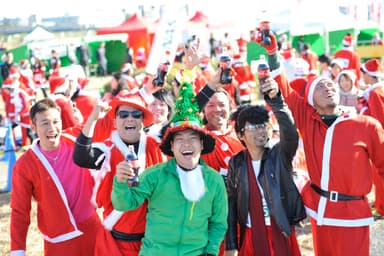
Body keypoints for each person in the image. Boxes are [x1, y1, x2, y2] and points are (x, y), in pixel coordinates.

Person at [256, 30, 384, 256]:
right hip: (319, 212)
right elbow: (284, 87)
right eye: (321, 87)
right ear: (310, 102)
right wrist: (273, 53)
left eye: (330, 85)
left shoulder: (366, 125)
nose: (329, 87)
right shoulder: (308, 120)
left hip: (352, 217)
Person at [111, 80, 228, 256]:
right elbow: (125, 203)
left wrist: (210, 252)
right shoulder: (155, 175)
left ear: (202, 144)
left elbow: (218, 223)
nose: (186, 145)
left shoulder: (214, 180)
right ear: (171, 146)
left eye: (192, 139)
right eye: (180, 139)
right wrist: (120, 183)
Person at [73, 94, 164, 256]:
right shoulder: (106, 150)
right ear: (114, 121)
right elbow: (80, 157)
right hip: (117, 244)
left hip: (152, 243)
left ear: (143, 121)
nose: (130, 118)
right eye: (123, 114)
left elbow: (185, 122)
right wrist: (93, 119)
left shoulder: (155, 146)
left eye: (136, 115)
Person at [10, 98, 102, 255]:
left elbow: (106, 124)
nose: (52, 128)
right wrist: (18, 250)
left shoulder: (75, 139)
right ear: (33, 127)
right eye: (45, 123)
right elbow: (20, 211)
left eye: (56, 122)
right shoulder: (24, 165)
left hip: (93, 229)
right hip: (60, 241)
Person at [225, 76, 305, 256]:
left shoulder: (279, 155)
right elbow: (231, 204)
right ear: (240, 135)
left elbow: (290, 133)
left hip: (280, 231)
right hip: (251, 234)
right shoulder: (236, 163)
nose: (260, 130)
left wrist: (276, 100)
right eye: (253, 127)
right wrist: (231, 244)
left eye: (263, 125)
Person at [359, 58, 384, 219]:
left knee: (379, 174)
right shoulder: (378, 90)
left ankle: (381, 207)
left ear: (370, 75)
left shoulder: (375, 93)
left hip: (379, 139)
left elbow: (379, 118)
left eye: (364, 73)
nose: (362, 75)